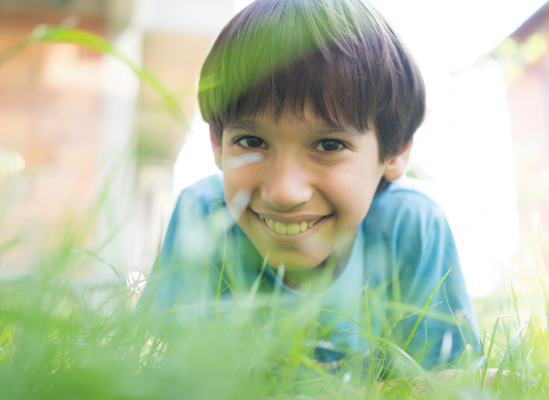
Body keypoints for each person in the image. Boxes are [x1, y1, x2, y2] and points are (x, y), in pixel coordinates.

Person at [137, 0, 480, 373]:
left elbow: (446, 383)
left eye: (329, 145)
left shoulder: (410, 226)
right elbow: (172, 381)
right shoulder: (202, 216)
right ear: (217, 144)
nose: (284, 192)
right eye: (252, 142)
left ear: (394, 153)